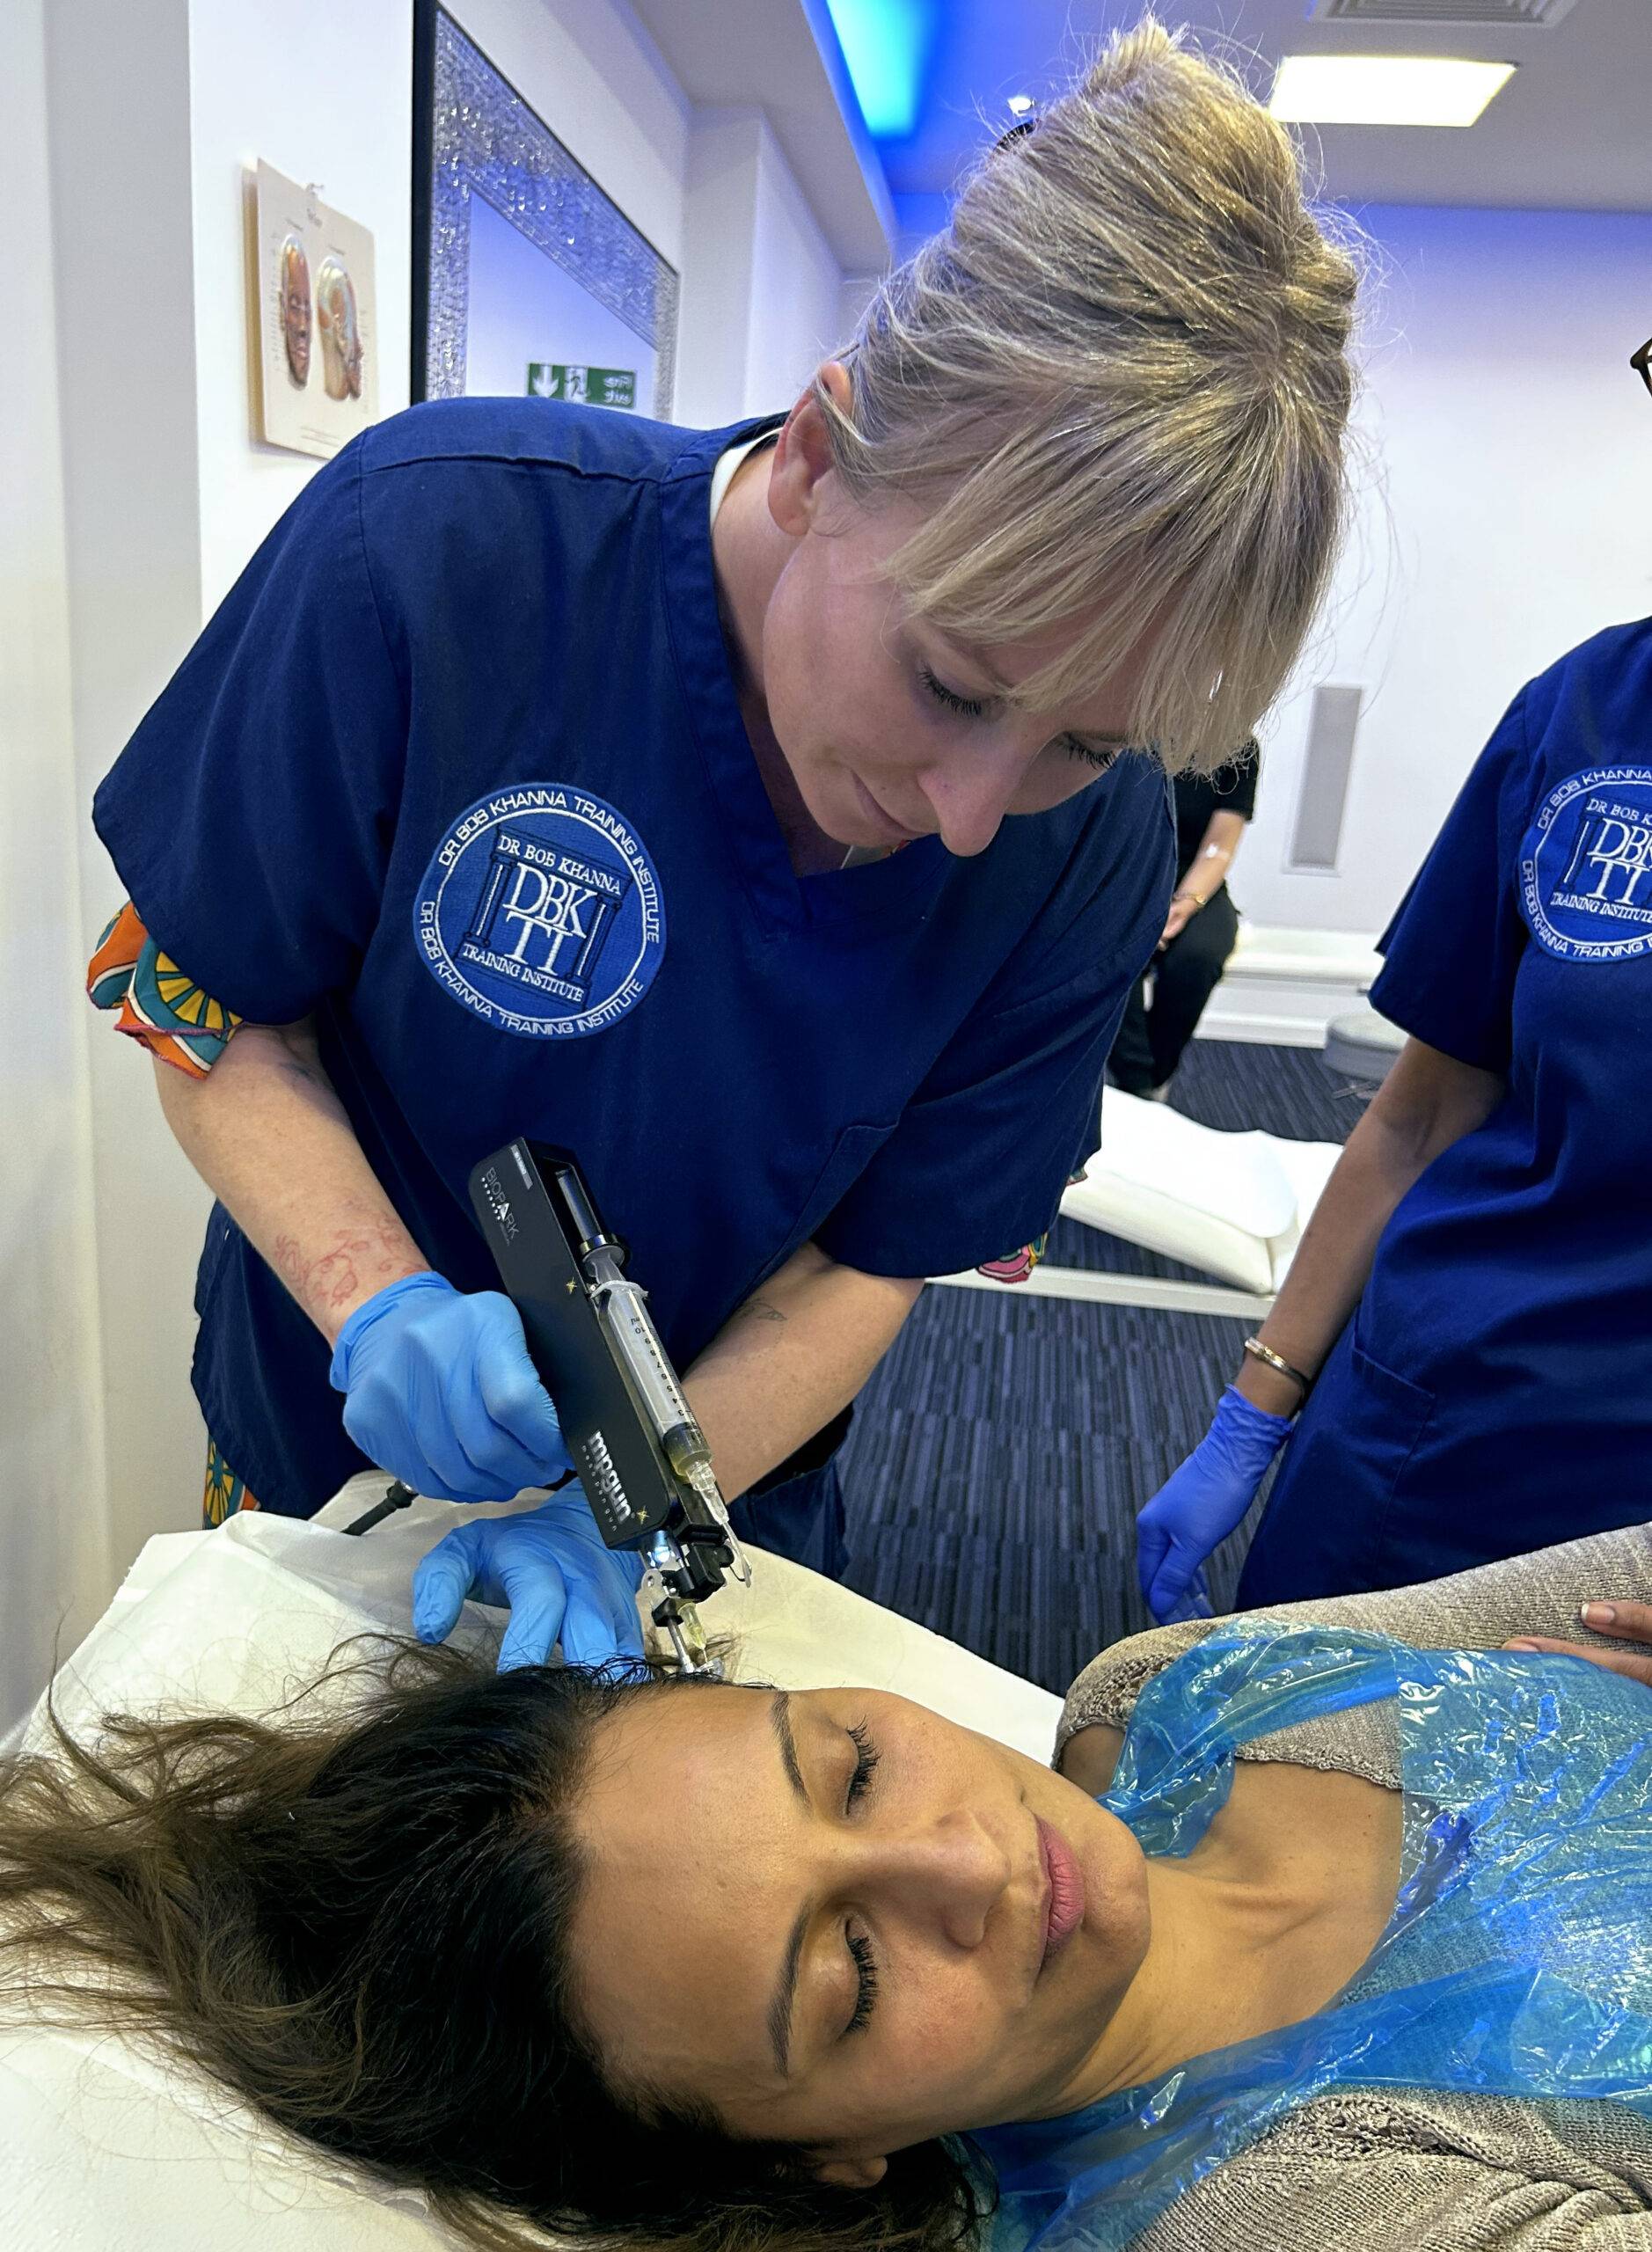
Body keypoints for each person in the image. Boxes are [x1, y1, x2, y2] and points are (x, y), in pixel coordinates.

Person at [85, 21, 1358, 1666]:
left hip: (712, 1499)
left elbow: (874, 1260)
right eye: (952, 683)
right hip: (319, 1456)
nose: (974, 816)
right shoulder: (442, 553)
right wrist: (372, 1299)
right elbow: (200, 1001)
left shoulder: (1089, 848)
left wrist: (638, 1509)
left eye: (1083, 744)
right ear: (822, 458)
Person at [8, 1525, 1652, 2252]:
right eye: (846, 1982)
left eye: (852, 1766)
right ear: (832, 2161)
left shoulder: (1167, 1689)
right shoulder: (1288, 2219)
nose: (964, 1864)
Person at [1137, 581, 1652, 1623]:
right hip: (1420, 1417)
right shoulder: (1593, 706)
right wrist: (1257, 1403)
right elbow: (1419, 1116)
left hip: (1619, 1527)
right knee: (1257, 1754)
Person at [1107, 741, 1258, 1099]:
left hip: (1194, 883)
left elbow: (1219, 846)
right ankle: (1138, 1082)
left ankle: (1151, 1080)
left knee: (1199, 957)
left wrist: (1183, 905)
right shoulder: (1121, 728)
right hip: (1121, 880)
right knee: (1111, 950)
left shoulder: (1238, 745)